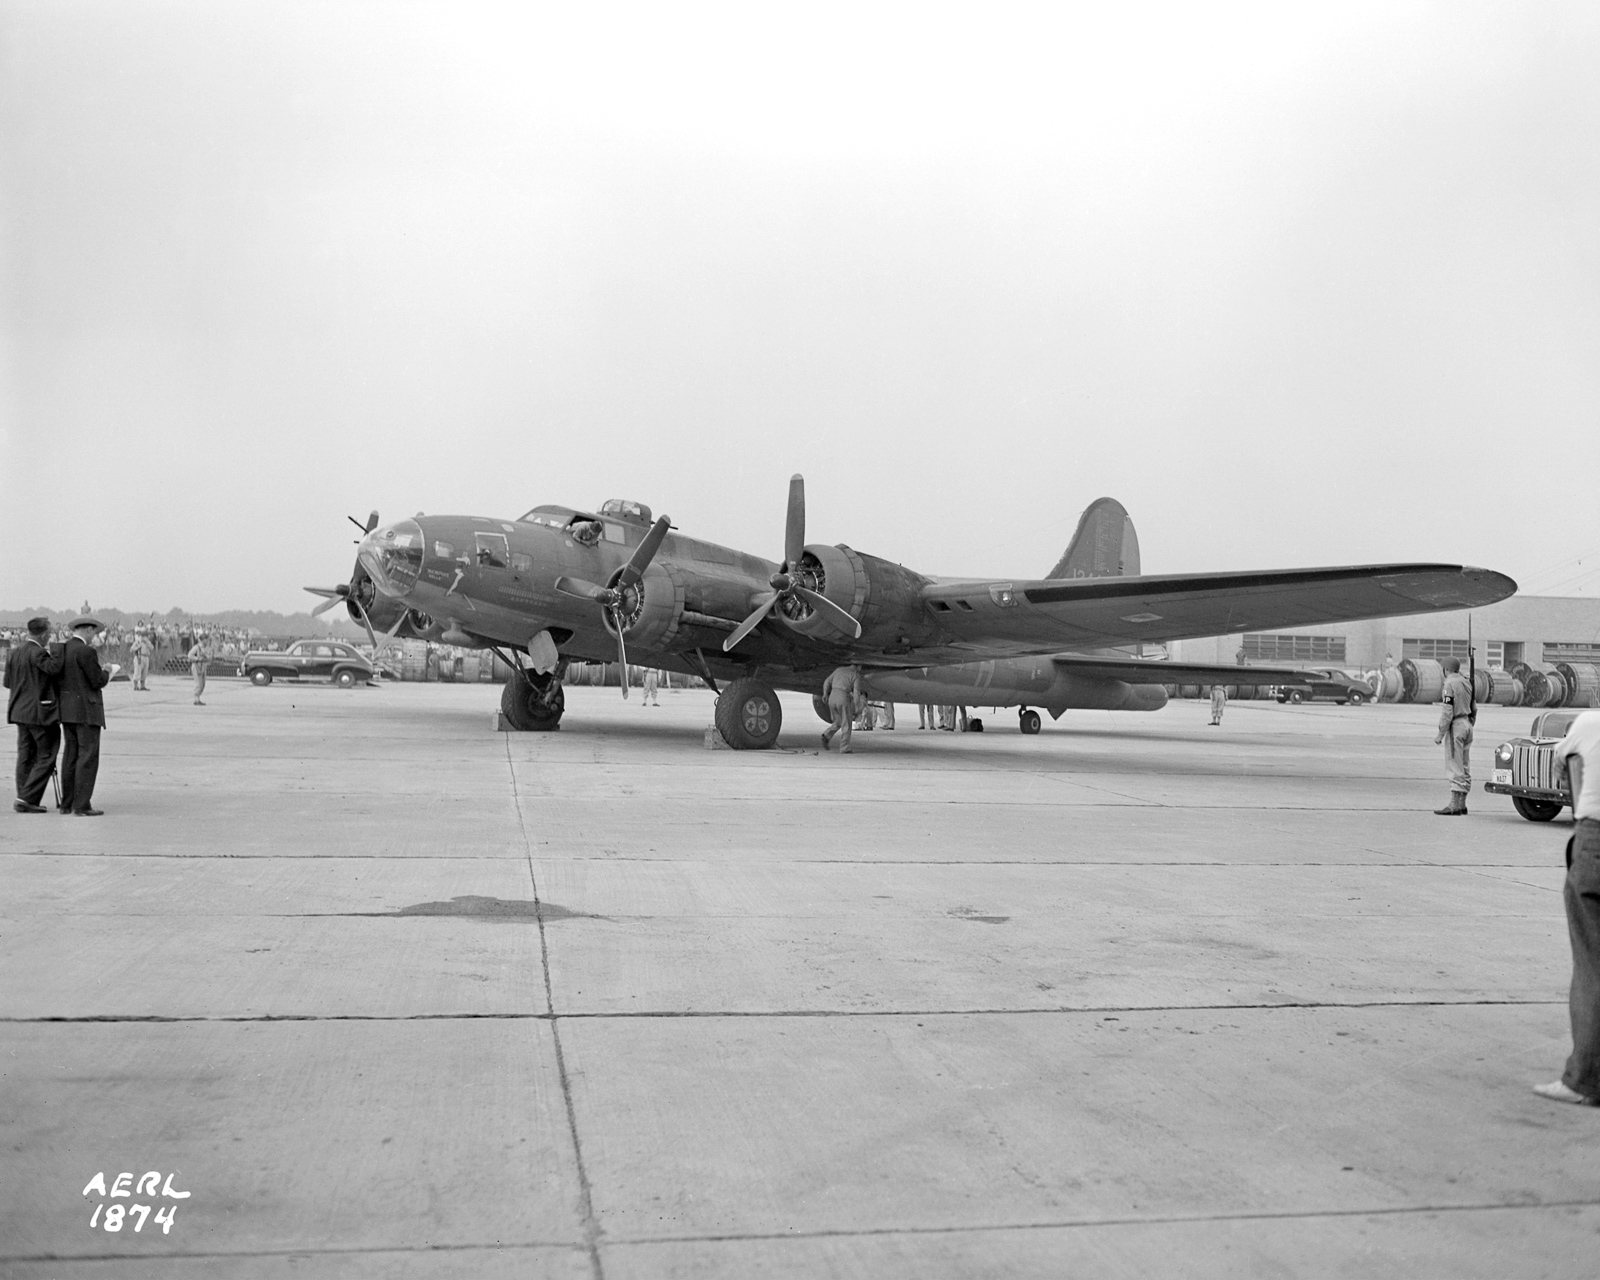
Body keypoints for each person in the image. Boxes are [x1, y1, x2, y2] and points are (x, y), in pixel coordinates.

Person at [1536, 710, 1600, 1105]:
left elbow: (1562, 767)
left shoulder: (1589, 723)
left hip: (1596, 841)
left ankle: (1584, 1079)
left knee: (1592, 964)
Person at [4, 616, 65, 813]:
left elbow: (7, 683)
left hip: (19, 711)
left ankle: (24, 795)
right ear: (44, 634)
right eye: (49, 633)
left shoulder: (14, 653)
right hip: (38, 713)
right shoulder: (39, 653)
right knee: (47, 755)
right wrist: (57, 649)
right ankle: (26, 798)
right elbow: (54, 669)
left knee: (25, 755)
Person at [58, 616, 113, 816]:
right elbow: (96, 680)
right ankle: (81, 805)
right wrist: (107, 672)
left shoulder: (63, 649)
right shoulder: (86, 651)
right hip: (86, 711)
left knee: (70, 756)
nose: (94, 637)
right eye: (94, 633)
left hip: (67, 711)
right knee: (87, 757)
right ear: (88, 630)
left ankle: (67, 803)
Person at [1433, 656, 1475, 815]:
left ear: (1447, 669)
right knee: (1464, 765)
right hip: (1467, 724)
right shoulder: (1466, 682)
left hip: (1456, 726)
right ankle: (1462, 804)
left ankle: (1454, 805)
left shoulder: (1449, 684)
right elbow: (1474, 706)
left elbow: (1447, 711)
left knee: (1454, 765)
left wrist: (1440, 733)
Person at [820, 664, 863, 754]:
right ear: (859, 667)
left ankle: (826, 735)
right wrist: (857, 707)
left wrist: (825, 693)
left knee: (838, 721)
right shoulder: (855, 675)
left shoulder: (839, 670)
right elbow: (856, 694)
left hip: (832, 697)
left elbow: (827, 681)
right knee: (846, 723)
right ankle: (844, 748)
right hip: (842, 698)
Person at [188, 635, 209, 705]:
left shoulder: (205, 648)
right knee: (198, 683)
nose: (207, 641)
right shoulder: (197, 647)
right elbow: (189, 655)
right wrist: (197, 658)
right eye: (206, 639)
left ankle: (198, 697)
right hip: (197, 666)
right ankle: (196, 699)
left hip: (203, 666)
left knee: (203, 684)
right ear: (202, 640)